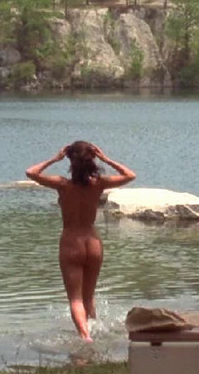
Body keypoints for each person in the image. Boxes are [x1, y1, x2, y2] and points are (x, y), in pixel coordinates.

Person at [25, 141, 135, 342]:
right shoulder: (99, 183)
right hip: (93, 242)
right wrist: (106, 159)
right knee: (88, 296)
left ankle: (85, 337)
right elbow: (130, 175)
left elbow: (31, 172)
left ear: (70, 160)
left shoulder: (62, 184)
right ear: (92, 159)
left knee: (75, 298)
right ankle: (93, 330)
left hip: (71, 242)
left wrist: (54, 159)